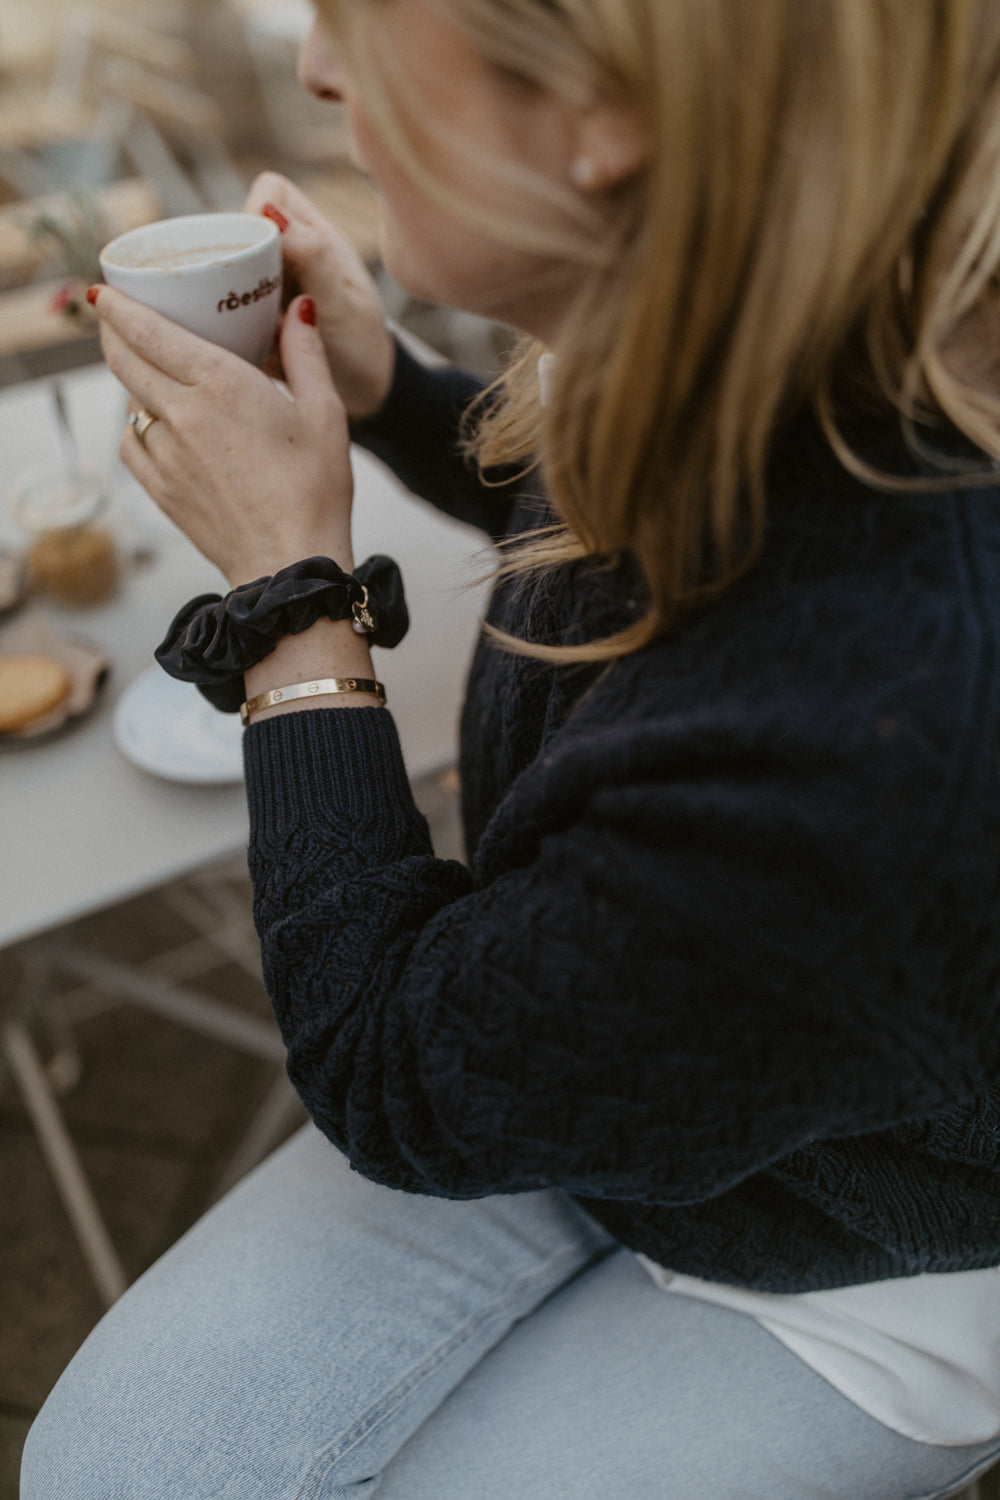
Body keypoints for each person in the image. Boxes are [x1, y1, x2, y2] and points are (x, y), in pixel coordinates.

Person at [20, 1, 1000, 1495]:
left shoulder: (873, 713)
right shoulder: (801, 329)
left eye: (361, 13)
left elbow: (395, 1071)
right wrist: (391, 392)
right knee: (117, 1467)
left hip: (874, 1242)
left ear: (609, 105)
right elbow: (640, 557)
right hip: (617, 1060)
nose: (318, 66)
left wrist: (293, 598)